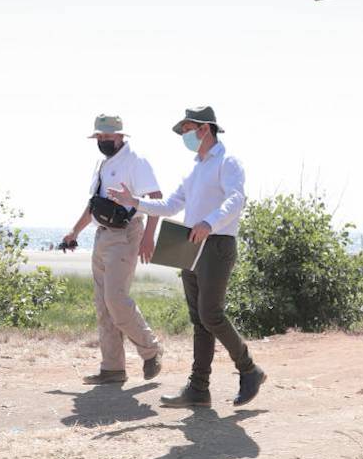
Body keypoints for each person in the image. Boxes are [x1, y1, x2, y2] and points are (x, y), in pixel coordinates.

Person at [109, 105, 266, 408]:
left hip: (216, 244)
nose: (184, 135)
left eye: (187, 130)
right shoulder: (194, 169)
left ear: (204, 128)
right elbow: (169, 205)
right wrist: (134, 202)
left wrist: (210, 222)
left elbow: (236, 198)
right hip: (190, 245)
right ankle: (198, 389)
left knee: (211, 314)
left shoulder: (228, 161)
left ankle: (249, 370)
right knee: (199, 320)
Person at [61, 114, 164, 385]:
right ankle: (112, 368)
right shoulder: (103, 164)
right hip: (102, 236)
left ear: (121, 136)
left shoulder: (135, 162)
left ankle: (151, 349)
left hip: (127, 234)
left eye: (109, 136)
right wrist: (75, 232)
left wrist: (148, 238)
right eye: (100, 137)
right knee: (103, 304)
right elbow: (95, 204)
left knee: (116, 300)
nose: (104, 141)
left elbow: (156, 199)